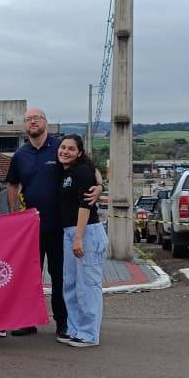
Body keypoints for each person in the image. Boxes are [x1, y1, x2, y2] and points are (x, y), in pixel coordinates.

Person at [5, 107, 101, 339]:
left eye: (36, 118)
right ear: (25, 125)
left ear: (45, 122)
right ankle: (28, 321)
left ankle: (63, 323)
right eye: (28, 120)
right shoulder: (20, 155)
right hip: (30, 228)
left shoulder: (60, 148)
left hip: (60, 227)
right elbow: (12, 185)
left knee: (60, 277)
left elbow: (88, 169)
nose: (32, 122)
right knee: (29, 276)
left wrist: (99, 187)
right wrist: (14, 213)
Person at [56, 135, 106, 347]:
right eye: (63, 147)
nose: (65, 151)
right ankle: (75, 328)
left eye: (71, 149)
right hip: (69, 232)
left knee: (87, 285)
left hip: (85, 232)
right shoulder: (66, 171)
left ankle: (89, 333)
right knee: (70, 284)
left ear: (79, 152)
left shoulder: (82, 171)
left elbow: (84, 205)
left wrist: (78, 237)